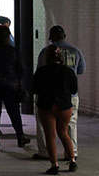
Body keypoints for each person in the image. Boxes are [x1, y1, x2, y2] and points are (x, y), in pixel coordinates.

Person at [34, 25, 85, 160]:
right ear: (65, 36)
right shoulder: (76, 51)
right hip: (70, 95)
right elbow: (81, 70)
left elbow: (39, 71)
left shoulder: (45, 52)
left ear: (50, 38)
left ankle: (45, 152)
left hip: (48, 96)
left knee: (45, 127)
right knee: (71, 125)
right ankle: (72, 153)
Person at [32, 46, 78, 174]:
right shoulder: (68, 71)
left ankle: (54, 165)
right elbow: (74, 90)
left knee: (50, 136)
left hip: (46, 106)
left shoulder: (41, 72)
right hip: (64, 106)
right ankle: (72, 161)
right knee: (64, 133)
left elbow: (34, 89)